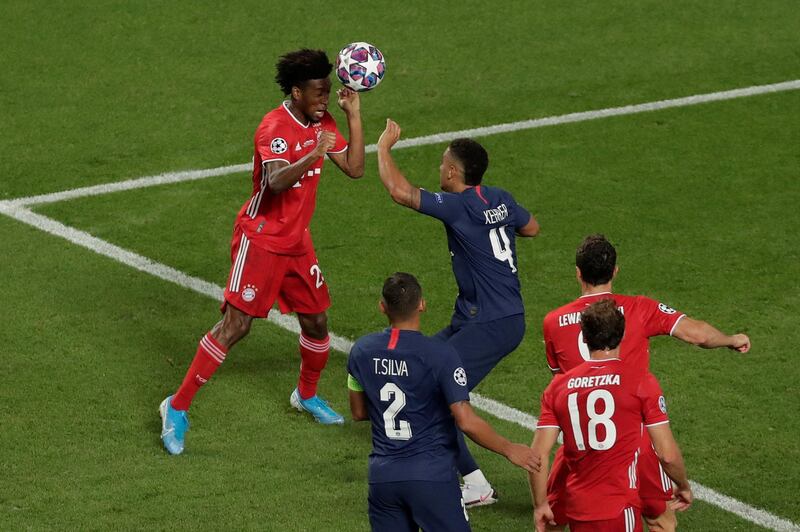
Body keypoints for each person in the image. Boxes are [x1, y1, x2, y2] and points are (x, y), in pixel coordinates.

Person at [159, 48, 366, 455]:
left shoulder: (323, 121)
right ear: (295, 91)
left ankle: (305, 395)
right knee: (236, 326)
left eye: (328, 92)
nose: (325, 100)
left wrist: (352, 115)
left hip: (296, 243)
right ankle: (176, 407)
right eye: (319, 93)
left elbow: (356, 168)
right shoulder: (274, 126)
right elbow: (273, 182)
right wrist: (312, 153)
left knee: (317, 321)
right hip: (262, 239)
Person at [376, 119, 540, 506]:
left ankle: (475, 483)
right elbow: (531, 227)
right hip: (480, 317)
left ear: (453, 172)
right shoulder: (499, 197)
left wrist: (384, 147)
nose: (439, 170)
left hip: (490, 325)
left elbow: (400, 192)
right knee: (415, 369)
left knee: (436, 398)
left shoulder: (458, 206)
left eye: (441, 164)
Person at [541, 234, 750, 530]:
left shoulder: (553, 321)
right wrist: (732, 339)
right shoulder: (639, 307)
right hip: (634, 440)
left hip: (581, 438)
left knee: (551, 517)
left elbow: (559, 385)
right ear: (615, 271)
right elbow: (698, 334)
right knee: (661, 519)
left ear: (578, 272)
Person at [347, 272, 540, 531]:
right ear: (422, 305)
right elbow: (465, 420)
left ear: (382, 307)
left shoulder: (361, 351)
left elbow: (358, 412)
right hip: (431, 477)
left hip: (383, 478)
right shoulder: (441, 354)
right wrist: (509, 448)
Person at [530, 299, 693, 532]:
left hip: (579, 510)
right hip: (618, 508)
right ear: (622, 334)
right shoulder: (640, 381)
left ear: (584, 338)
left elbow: (537, 455)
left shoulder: (558, 387)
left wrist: (540, 504)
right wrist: (683, 485)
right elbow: (667, 455)